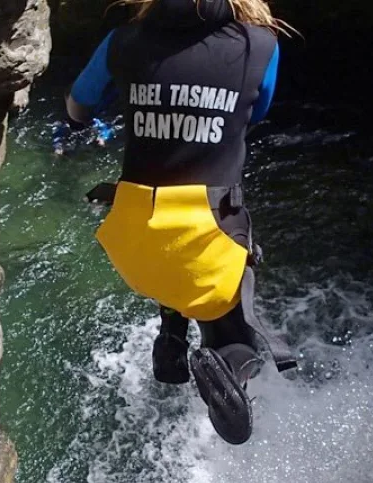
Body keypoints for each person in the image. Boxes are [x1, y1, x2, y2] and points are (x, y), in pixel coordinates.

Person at [61, 0, 298, 444]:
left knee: (171, 249)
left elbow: (77, 106)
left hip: (133, 241)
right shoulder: (260, 46)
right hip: (207, 239)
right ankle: (227, 363)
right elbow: (256, 111)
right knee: (233, 326)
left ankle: (171, 339)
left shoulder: (122, 41)